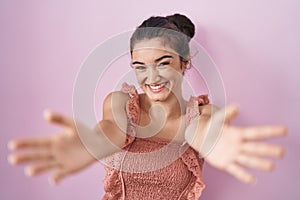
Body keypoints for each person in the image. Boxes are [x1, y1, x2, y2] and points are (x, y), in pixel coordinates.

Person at [8, 13, 287, 200]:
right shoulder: (120, 105)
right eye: (140, 66)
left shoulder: (201, 115)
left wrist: (216, 142)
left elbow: (201, 132)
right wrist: (88, 145)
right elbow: (109, 132)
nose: (150, 78)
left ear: (184, 62)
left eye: (163, 63)